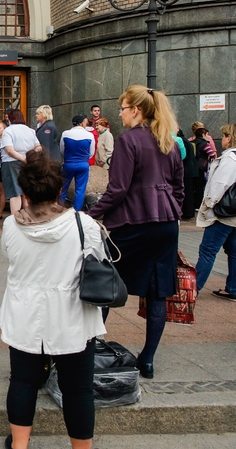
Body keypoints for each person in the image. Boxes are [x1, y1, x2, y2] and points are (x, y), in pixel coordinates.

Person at [0, 150, 105, 449]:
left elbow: (10, 256)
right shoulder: (84, 225)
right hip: (73, 315)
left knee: (23, 382)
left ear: (26, 190)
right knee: (79, 390)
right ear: (60, 188)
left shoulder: (11, 226)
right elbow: (97, 260)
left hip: (24, 313)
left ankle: (19, 444)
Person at [88, 85, 184, 379]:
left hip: (132, 222)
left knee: (105, 284)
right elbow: (180, 188)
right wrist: (172, 210)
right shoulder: (167, 139)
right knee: (157, 292)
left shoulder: (129, 140)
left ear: (136, 110)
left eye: (123, 108)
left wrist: (89, 215)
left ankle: (92, 349)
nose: (120, 113)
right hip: (165, 223)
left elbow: (117, 190)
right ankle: (149, 359)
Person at [195, 123, 236, 299]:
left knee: (208, 251)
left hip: (222, 213)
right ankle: (233, 288)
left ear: (231, 138)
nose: (223, 140)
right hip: (233, 212)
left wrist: (207, 207)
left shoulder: (229, 160)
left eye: (225, 136)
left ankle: (193, 289)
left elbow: (219, 185)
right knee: (234, 252)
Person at [1, 108, 42, 215]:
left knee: (15, 193)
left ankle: (15, 218)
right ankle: (28, 216)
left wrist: (23, 158)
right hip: (29, 163)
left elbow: (9, 150)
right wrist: (30, 156)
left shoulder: (8, 131)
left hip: (11, 163)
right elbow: (38, 146)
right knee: (26, 191)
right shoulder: (30, 130)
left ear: (10, 118)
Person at [59, 115, 95, 211]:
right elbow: (91, 153)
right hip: (83, 164)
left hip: (68, 164)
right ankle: (77, 212)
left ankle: (59, 208)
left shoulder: (65, 134)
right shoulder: (90, 135)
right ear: (82, 123)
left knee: (63, 188)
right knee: (80, 190)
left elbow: (62, 150)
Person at [178, 129, 198, 219]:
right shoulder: (185, 140)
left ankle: (187, 212)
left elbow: (183, 156)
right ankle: (188, 212)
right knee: (188, 192)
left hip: (186, 170)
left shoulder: (181, 141)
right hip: (190, 170)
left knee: (187, 192)